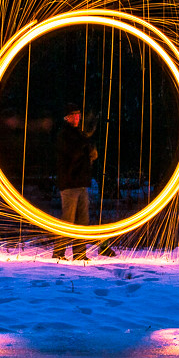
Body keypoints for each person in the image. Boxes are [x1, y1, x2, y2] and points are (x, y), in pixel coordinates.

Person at [53, 103, 115, 260]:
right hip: (69, 184)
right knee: (68, 221)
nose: (77, 118)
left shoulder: (78, 135)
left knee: (82, 222)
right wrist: (87, 147)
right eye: (74, 115)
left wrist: (90, 150)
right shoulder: (65, 134)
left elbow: (87, 154)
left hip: (81, 183)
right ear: (67, 117)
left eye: (78, 115)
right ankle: (58, 253)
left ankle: (80, 254)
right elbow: (74, 153)